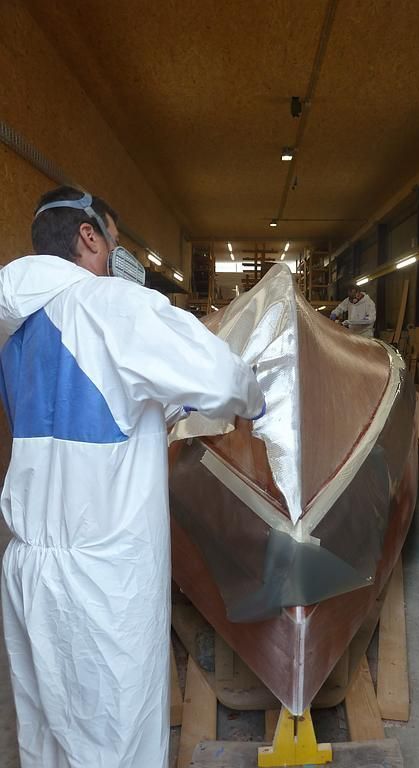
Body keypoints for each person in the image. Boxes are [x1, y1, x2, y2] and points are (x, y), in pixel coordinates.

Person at [0, 186, 265, 768]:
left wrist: (163, 407)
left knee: (45, 734)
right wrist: (255, 398)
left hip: (27, 566)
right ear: (89, 236)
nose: (120, 257)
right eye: (115, 240)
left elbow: (84, 413)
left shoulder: (15, 329)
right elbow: (223, 378)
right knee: (114, 740)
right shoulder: (111, 305)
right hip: (104, 576)